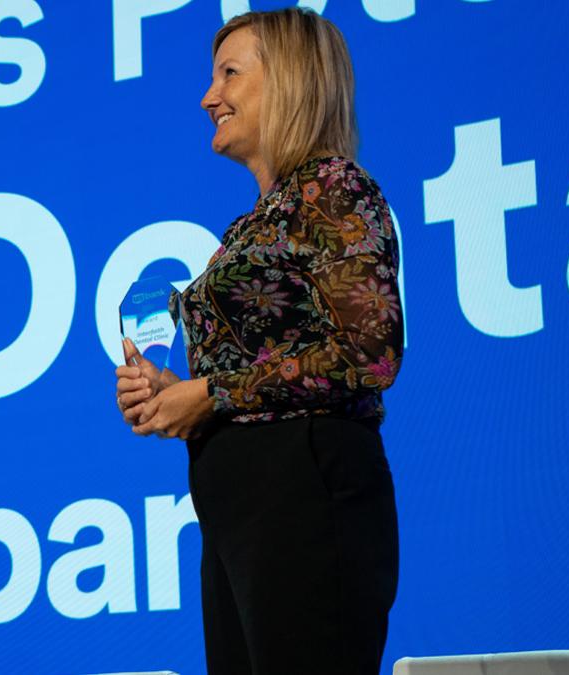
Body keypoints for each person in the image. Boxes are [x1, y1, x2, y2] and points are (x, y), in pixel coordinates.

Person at [115, 8, 403, 675]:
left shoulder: (336, 190)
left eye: (229, 74)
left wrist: (212, 393)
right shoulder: (250, 226)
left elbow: (371, 351)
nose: (208, 96)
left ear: (291, 81)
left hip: (306, 489)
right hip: (240, 509)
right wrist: (170, 396)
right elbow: (253, 371)